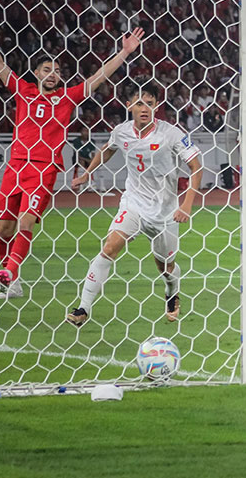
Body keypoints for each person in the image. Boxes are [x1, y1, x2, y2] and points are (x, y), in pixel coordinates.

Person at [0, 8, 143, 298]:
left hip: (43, 168)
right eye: (47, 70)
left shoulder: (66, 97)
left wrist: (123, 52)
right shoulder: (23, 91)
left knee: (26, 221)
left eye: (57, 71)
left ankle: (9, 271)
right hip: (16, 166)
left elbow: (98, 77)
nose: (53, 74)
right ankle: (11, 280)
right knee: (4, 228)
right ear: (36, 73)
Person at [66, 85, 202, 326]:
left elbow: (196, 167)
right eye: (139, 103)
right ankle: (83, 308)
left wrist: (186, 205)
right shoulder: (121, 132)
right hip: (134, 204)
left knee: (165, 266)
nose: (144, 108)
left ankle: (172, 293)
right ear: (129, 106)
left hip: (165, 211)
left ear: (157, 106)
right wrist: (87, 173)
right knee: (110, 247)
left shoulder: (170, 134)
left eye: (150, 103)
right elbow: (107, 150)